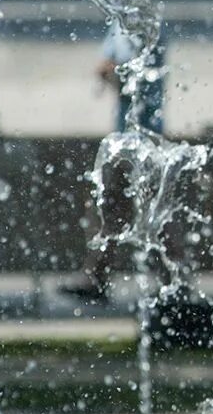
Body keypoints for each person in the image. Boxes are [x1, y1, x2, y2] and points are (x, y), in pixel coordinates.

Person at [60, 30, 165, 302]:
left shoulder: (141, 27)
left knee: (146, 211)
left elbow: (129, 75)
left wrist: (110, 71)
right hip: (126, 139)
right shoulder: (119, 27)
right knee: (113, 208)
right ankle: (98, 275)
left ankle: (172, 280)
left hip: (143, 139)